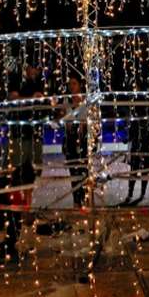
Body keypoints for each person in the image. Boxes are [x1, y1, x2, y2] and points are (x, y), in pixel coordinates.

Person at [61, 74, 88, 207]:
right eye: (70, 84)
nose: (71, 86)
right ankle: (76, 200)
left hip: (83, 139)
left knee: (84, 170)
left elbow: (89, 119)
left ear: (79, 85)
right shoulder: (66, 100)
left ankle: (84, 197)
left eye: (74, 83)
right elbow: (64, 119)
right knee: (73, 170)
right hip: (71, 138)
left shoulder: (85, 100)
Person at [123, 109, 149, 204]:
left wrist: (125, 140)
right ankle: (142, 193)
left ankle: (130, 194)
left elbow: (130, 136)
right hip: (146, 151)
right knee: (144, 172)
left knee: (134, 172)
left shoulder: (135, 122)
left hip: (137, 151)